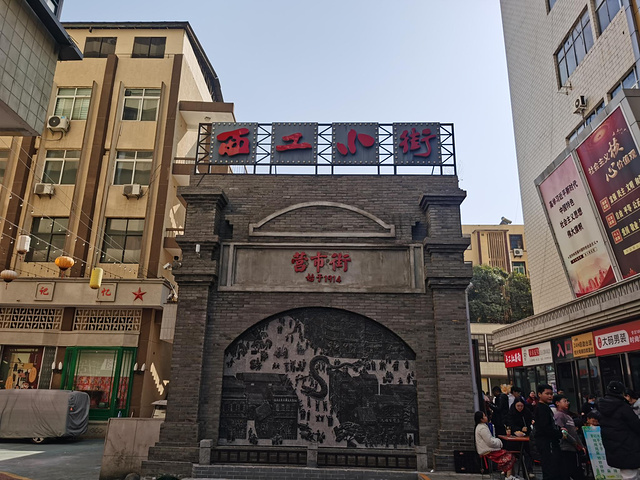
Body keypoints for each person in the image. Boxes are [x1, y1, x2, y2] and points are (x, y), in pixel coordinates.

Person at [597, 381, 640, 480]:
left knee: (627, 475)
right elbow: (636, 426)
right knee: (633, 475)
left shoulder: (601, 408)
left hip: (614, 448)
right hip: (629, 447)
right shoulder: (623, 407)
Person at [474, 411, 518, 480]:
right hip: (488, 451)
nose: (486, 417)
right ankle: (509, 476)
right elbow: (490, 442)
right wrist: (499, 442)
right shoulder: (482, 428)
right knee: (510, 457)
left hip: (487, 449)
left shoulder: (481, 427)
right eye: (484, 416)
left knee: (509, 455)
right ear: (481, 419)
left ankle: (510, 475)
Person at [533, 383, 563, 480]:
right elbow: (545, 428)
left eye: (551, 394)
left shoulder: (545, 407)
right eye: (547, 394)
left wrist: (559, 429)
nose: (550, 396)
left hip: (548, 442)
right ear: (539, 394)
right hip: (547, 442)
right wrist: (559, 434)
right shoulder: (542, 408)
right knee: (551, 469)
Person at [553, 394, 585, 480]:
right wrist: (574, 442)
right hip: (565, 449)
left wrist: (581, 446)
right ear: (557, 403)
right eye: (564, 401)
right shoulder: (559, 415)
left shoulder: (568, 416)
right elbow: (562, 432)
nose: (567, 403)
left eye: (567, 401)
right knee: (566, 473)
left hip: (573, 449)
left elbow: (574, 433)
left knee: (577, 472)